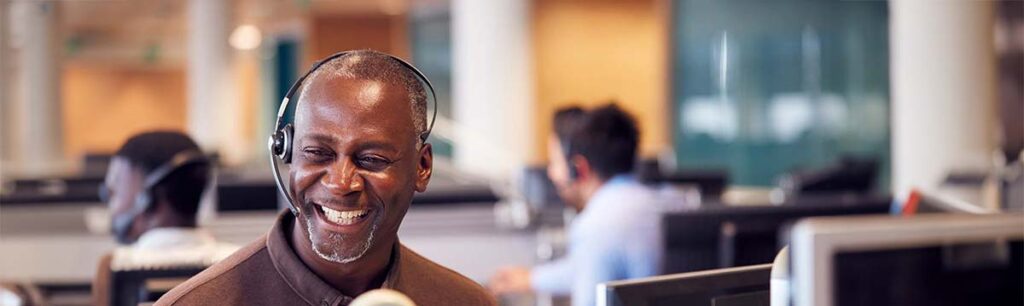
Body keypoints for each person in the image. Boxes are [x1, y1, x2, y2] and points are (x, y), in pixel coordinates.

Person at [157, 50, 496, 306]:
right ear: (286, 151)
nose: (340, 182)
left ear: (422, 167)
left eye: (371, 159)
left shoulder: (465, 302)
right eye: (318, 154)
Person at [490, 104, 668, 306]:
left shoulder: (597, 225)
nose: (552, 173)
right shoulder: (654, 202)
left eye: (555, 162)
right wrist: (533, 279)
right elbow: (595, 265)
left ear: (579, 169)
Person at [93, 131, 237, 306]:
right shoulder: (238, 262)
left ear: (145, 198)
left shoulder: (114, 265)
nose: (112, 206)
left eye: (114, 192)